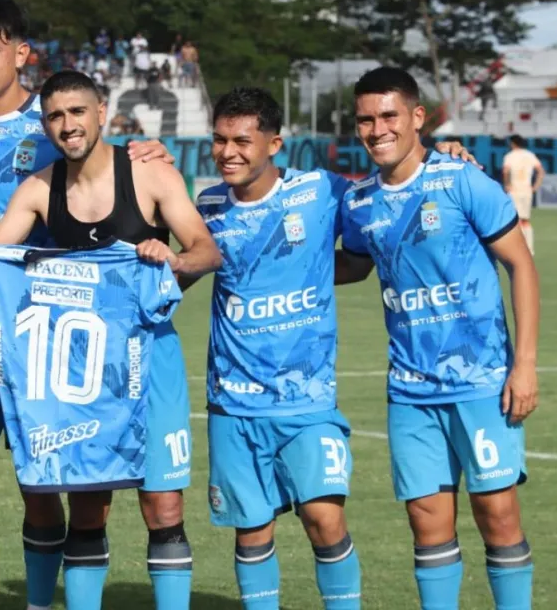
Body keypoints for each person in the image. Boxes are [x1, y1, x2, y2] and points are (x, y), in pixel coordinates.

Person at [0, 0, 175, 610]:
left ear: (21, 54)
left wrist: (147, 152)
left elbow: (105, 168)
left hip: (40, 335)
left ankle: (39, 602)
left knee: (40, 482)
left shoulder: (52, 122)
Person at [185, 87, 476, 610]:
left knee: (325, 520)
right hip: (232, 402)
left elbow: (387, 198)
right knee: (251, 531)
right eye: (220, 140)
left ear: (274, 144)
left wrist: (441, 157)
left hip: (307, 400)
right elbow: (181, 269)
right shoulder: (207, 207)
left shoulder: (322, 190)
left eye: (242, 141)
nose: (228, 152)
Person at [0, 70, 221, 610]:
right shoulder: (39, 189)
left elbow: (206, 250)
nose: (67, 125)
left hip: (152, 361)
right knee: (88, 506)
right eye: (55, 116)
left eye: (77, 111)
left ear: (101, 111)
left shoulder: (149, 174)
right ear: (45, 124)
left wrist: (170, 263)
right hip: (83, 373)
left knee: (164, 507)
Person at [337, 67, 539, 610]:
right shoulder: (359, 202)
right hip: (410, 389)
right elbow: (353, 265)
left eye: (389, 116)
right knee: (426, 521)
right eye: (365, 120)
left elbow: (521, 266)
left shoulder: (463, 180)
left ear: (417, 117)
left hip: (482, 382)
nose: (377, 129)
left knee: (498, 514)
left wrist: (524, 365)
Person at [502, 134, 544, 255]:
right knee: (525, 220)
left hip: (514, 191)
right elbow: (541, 171)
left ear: (512, 143)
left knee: (515, 220)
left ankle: (518, 247)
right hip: (526, 191)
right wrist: (535, 186)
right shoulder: (530, 155)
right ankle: (529, 248)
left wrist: (507, 184)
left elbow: (506, 171)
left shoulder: (510, 156)